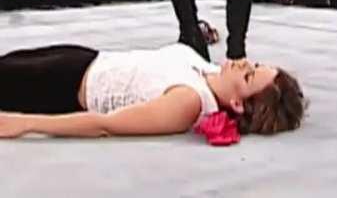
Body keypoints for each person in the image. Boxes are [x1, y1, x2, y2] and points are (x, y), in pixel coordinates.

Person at [0, 42, 304, 139]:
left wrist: (25, 123)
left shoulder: (189, 101)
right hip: (84, 58)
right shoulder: (210, 71)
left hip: (62, 87)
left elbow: (106, 125)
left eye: (249, 75)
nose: (244, 63)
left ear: (237, 103)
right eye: (255, 64)